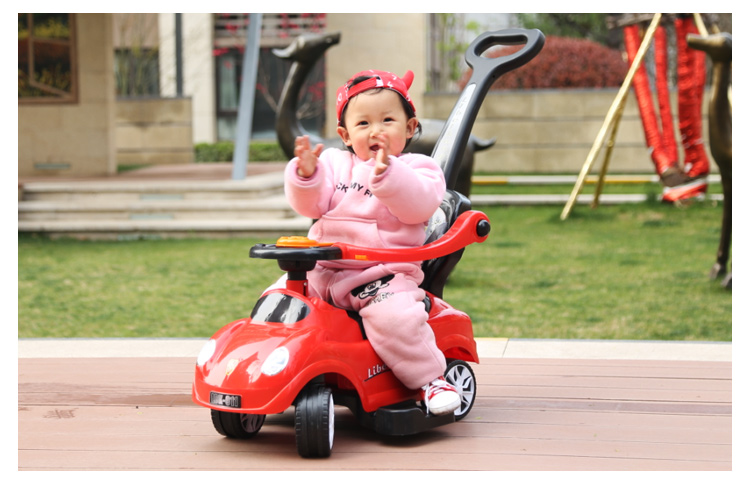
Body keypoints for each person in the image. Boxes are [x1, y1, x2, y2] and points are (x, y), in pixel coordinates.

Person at [273, 69, 461, 416]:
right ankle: (271, 372)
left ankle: (432, 380)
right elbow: (311, 206)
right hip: (321, 269)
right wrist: (306, 175)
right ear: (345, 135)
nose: (376, 131)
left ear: (409, 127)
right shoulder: (334, 164)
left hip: (381, 275)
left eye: (387, 120)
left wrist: (388, 172)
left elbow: (418, 206)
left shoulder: (420, 169)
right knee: (274, 304)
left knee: (396, 320)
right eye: (363, 124)